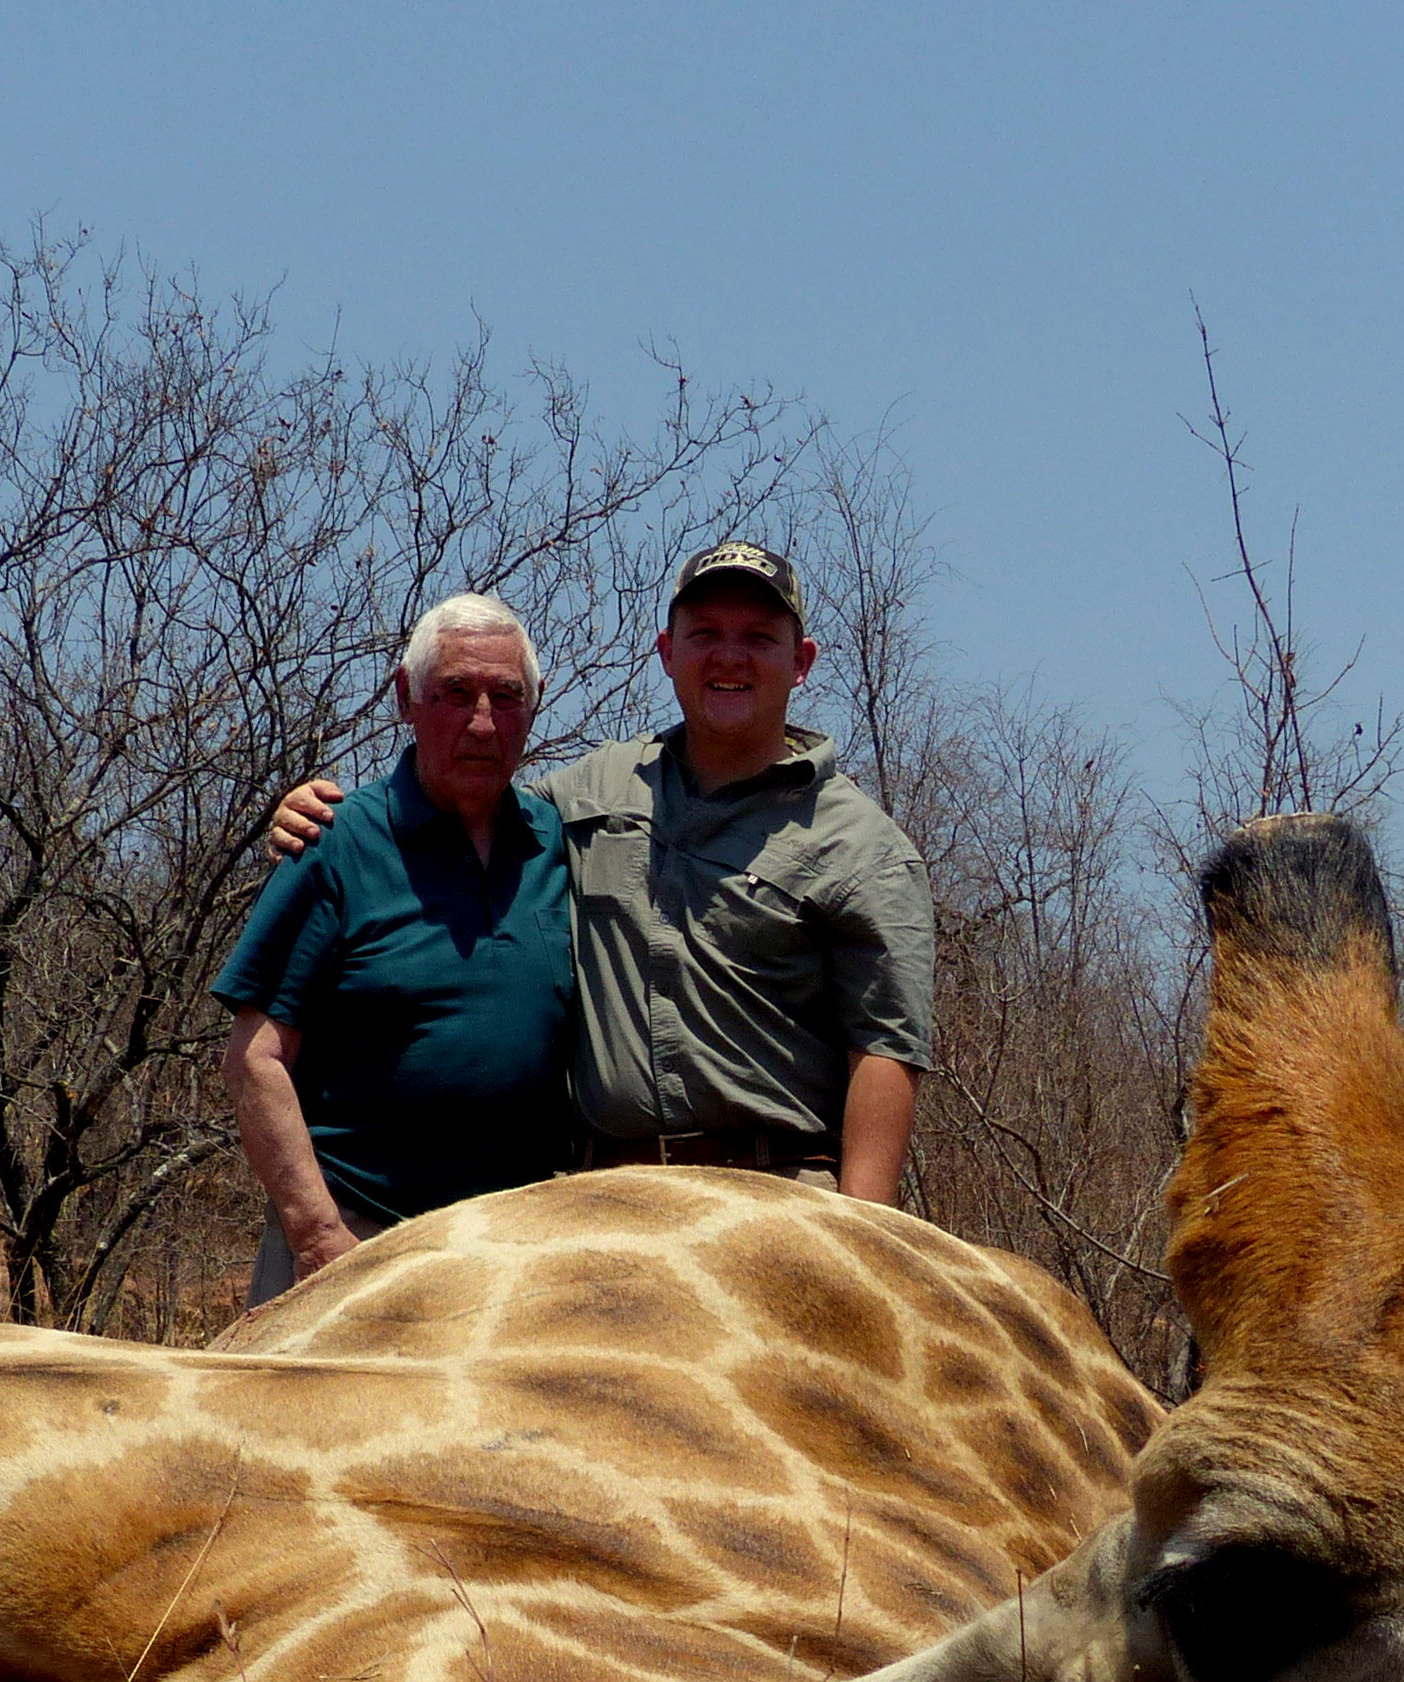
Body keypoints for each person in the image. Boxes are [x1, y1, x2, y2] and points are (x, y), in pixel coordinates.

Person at [274, 539, 936, 1201]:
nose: (728, 656)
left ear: (802, 662)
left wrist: (864, 1230)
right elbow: (460, 799)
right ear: (667, 653)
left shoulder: (867, 849)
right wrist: (329, 811)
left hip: (778, 1190)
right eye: (704, 633)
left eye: (758, 638)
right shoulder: (592, 791)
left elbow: (885, 1050)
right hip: (603, 1194)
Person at [213, 595, 575, 1304]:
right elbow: (254, 1058)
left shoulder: (559, 842)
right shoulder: (335, 843)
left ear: (535, 707)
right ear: (405, 698)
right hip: (357, 1239)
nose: (481, 722)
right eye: (455, 693)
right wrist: (316, 1235)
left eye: (506, 696)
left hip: (516, 1257)